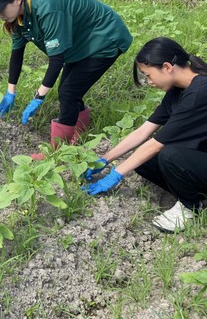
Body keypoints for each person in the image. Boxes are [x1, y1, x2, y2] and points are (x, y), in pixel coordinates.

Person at [0, 0, 133, 158]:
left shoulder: (47, 8)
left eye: (0, 10)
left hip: (105, 37)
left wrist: (38, 97)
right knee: (69, 89)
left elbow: (56, 61)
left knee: (68, 91)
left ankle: (58, 151)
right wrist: (10, 92)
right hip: (81, 42)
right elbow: (17, 55)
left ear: (17, 0)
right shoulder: (19, 20)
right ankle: (80, 127)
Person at [84, 37, 207, 232]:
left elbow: (157, 143)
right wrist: (105, 160)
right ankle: (198, 195)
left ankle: (190, 207)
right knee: (143, 161)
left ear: (167, 67)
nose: (148, 82)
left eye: (148, 75)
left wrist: (116, 175)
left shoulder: (200, 92)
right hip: (200, 158)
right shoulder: (178, 90)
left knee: (169, 154)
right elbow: (144, 130)